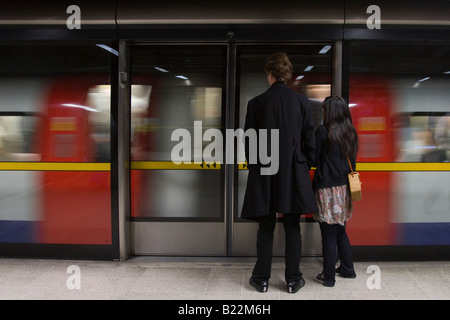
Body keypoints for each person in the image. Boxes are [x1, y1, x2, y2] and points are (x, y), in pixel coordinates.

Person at [241, 52, 318, 293]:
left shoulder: (256, 104)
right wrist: (304, 165)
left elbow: (249, 144)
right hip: (294, 174)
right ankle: (293, 280)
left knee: (266, 226)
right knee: (292, 226)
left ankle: (261, 279)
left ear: (270, 74)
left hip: (265, 173)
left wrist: (257, 169)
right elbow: (311, 142)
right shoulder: (302, 103)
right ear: (287, 74)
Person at [312, 96, 358, 287]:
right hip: (344, 189)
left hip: (327, 190)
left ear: (329, 112)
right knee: (340, 231)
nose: (322, 113)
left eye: (324, 110)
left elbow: (314, 160)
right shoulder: (350, 132)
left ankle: (328, 277)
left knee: (328, 235)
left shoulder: (323, 132)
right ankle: (348, 268)